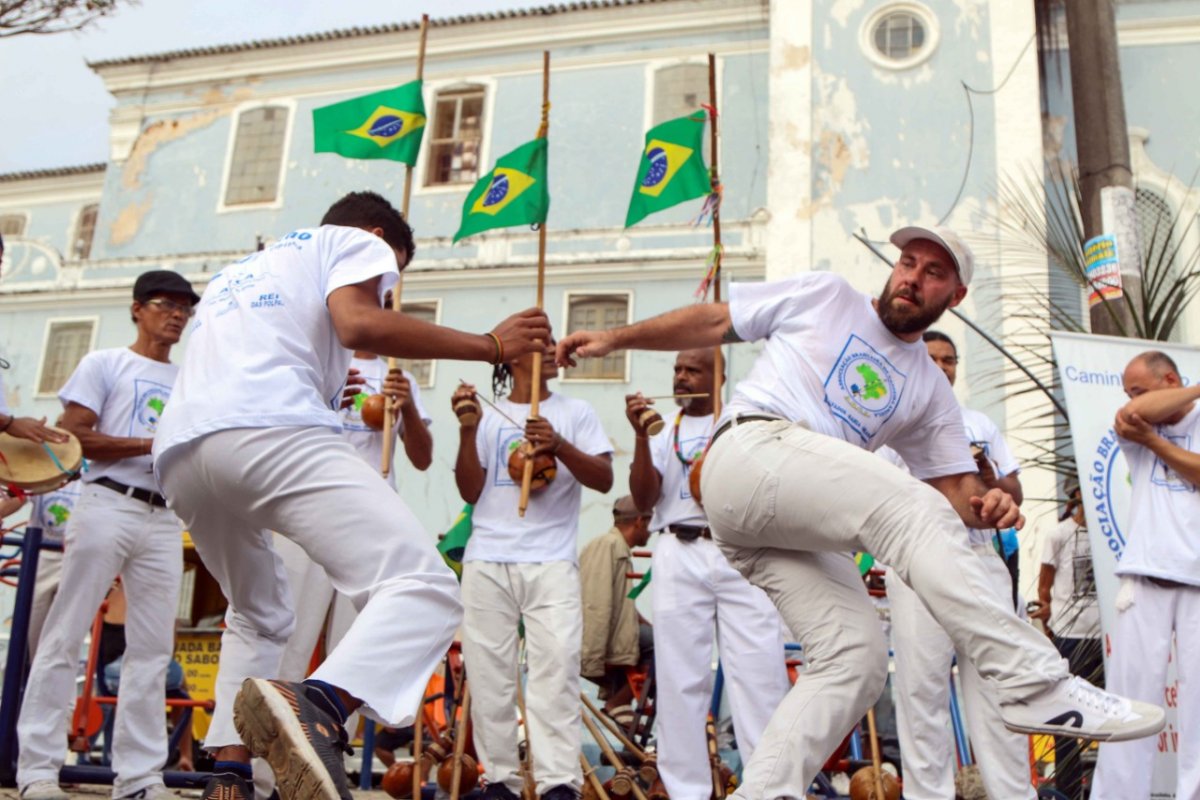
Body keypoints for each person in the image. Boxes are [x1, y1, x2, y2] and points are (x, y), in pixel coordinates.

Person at [555, 225, 1164, 800]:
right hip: (749, 453)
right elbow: (717, 319)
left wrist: (990, 505)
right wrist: (616, 338)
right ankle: (1039, 684)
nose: (911, 278)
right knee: (906, 506)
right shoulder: (826, 295)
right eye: (907, 263)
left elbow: (956, 493)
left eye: (932, 274)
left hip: (787, 525)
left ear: (955, 295)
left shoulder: (928, 389)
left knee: (857, 659)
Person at [151, 191, 550, 800]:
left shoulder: (244, 268)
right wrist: (489, 345)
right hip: (266, 431)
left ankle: (230, 772)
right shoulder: (353, 240)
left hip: (181, 454)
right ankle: (318, 706)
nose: (384, 290)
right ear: (374, 236)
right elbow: (358, 322)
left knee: (259, 612)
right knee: (425, 589)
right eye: (391, 274)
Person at [17, 270, 199, 800]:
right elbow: (73, 435)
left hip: (165, 515)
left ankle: (140, 777)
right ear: (137, 309)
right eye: (167, 304)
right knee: (64, 632)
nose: (178, 315)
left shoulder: (190, 379)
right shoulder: (106, 363)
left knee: (152, 648)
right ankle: (37, 770)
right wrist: (149, 443)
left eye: (186, 308)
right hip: (107, 500)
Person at [451, 340, 613, 800]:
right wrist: (467, 430)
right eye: (538, 342)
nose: (551, 349)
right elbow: (469, 490)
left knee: (556, 670)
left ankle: (558, 782)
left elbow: (603, 478)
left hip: (551, 560)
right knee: (488, 674)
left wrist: (558, 445)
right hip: (488, 557)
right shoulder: (490, 414)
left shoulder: (576, 412)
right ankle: (499, 779)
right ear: (514, 358)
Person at [625, 349, 789, 800]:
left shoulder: (742, 419)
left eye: (691, 369)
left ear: (717, 375)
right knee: (679, 677)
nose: (680, 377)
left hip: (740, 551)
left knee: (760, 671)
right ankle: (686, 791)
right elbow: (642, 499)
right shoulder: (665, 431)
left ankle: (769, 788)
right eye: (676, 369)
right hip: (678, 550)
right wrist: (640, 438)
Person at [888, 330, 1036, 800]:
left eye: (949, 359)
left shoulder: (978, 423)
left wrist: (990, 478)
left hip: (979, 557)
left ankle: (1013, 794)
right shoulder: (891, 425)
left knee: (998, 687)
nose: (942, 366)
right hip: (917, 561)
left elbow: (1015, 493)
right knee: (921, 692)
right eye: (931, 357)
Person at [1092, 351, 1200, 800]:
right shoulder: (1137, 429)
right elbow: (1135, 415)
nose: (1130, 403)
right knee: (1129, 706)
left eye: (1139, 389)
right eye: (1127, 392)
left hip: (1198, 582)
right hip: (1143, 579)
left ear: (1170, 379)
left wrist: (1158, 442)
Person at [1031, 486, 1101, 800]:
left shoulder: (1108, 532)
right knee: (1069, 719)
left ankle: (1105, 787)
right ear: (1077, 497)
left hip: (1104, 637)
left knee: (1109, 718)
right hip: (1070, 636)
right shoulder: (1058, 535)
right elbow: (1043, 590)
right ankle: (1069, 792)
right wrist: (1050, 629)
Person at [579, 495, 653, 725]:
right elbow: (595, 603)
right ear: (640, 521)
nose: (652, 532)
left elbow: (624, 603)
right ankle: (619, 701)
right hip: (602, 637)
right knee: (666, 644)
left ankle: (629, 707)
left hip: (616, 632)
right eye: (651, 524)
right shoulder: (606, 546)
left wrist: (646, 623)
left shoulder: (619, 549)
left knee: (665, 640)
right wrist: (594, 656)